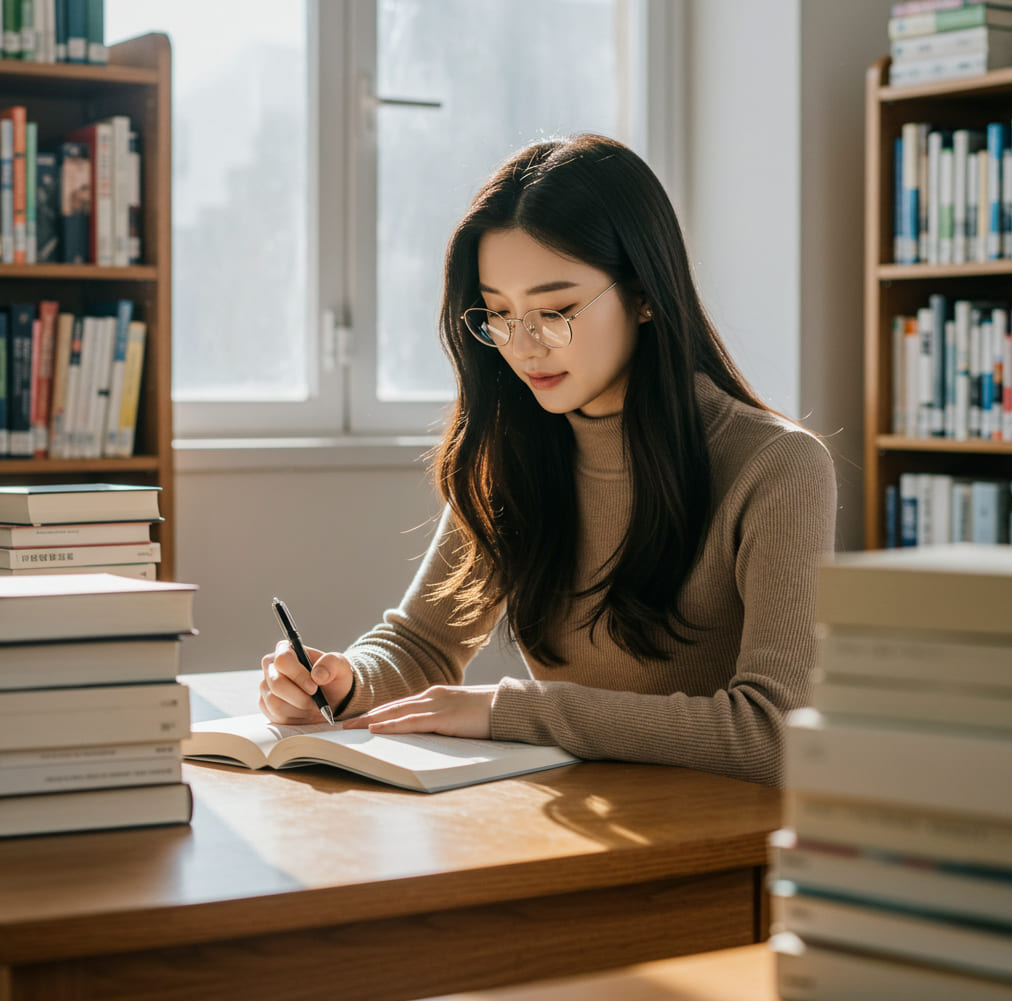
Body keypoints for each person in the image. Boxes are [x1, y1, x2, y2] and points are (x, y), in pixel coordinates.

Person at [260, 133, 836, 787]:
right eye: (499, 315)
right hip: (570, 823)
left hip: (715, 841)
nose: (523, 346)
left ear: (645, 293)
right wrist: (343, 681)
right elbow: (424, 642)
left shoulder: (778, 467)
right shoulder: (518, 450)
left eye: (555, 310)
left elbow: (776, 734)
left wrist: (518, 711)